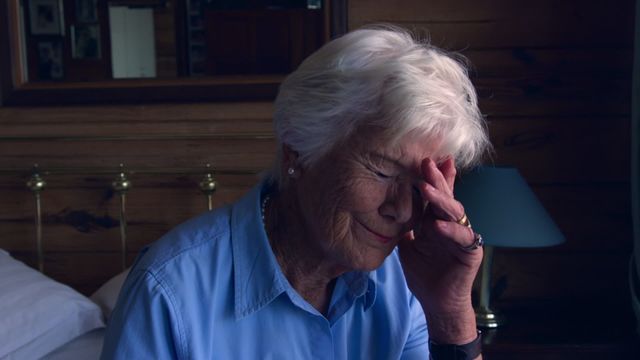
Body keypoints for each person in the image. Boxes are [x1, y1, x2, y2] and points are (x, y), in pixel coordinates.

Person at [101, 26, 491, 360]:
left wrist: (452, 314)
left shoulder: (405, 283)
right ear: (299, 151)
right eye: (382, 170)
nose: (403, 209)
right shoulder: (168, 291)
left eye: (421, 184)